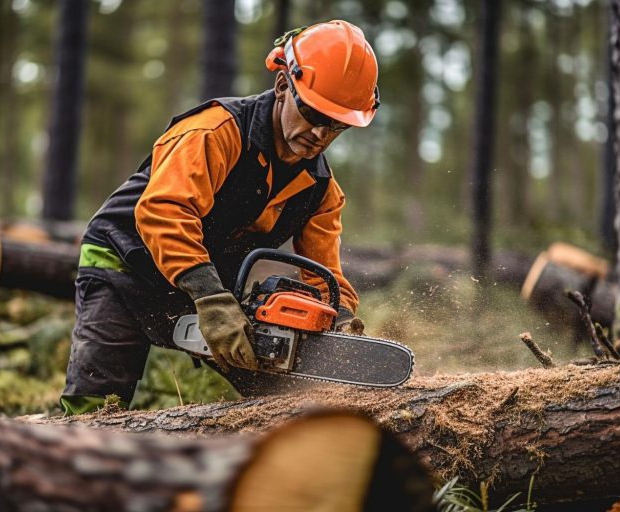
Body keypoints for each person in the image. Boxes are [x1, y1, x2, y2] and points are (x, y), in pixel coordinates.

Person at [60, 20, 380, 415]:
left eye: (336, 125)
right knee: (96, 402)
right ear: (283, 86)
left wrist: (340, 320)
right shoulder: (217, 132)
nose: (320, 132)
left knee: (283, 392)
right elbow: (164, 210)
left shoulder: (320, 190)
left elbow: (324, 270)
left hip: (205, 279)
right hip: (124, 260)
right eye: (312, 112)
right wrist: (210, 297)